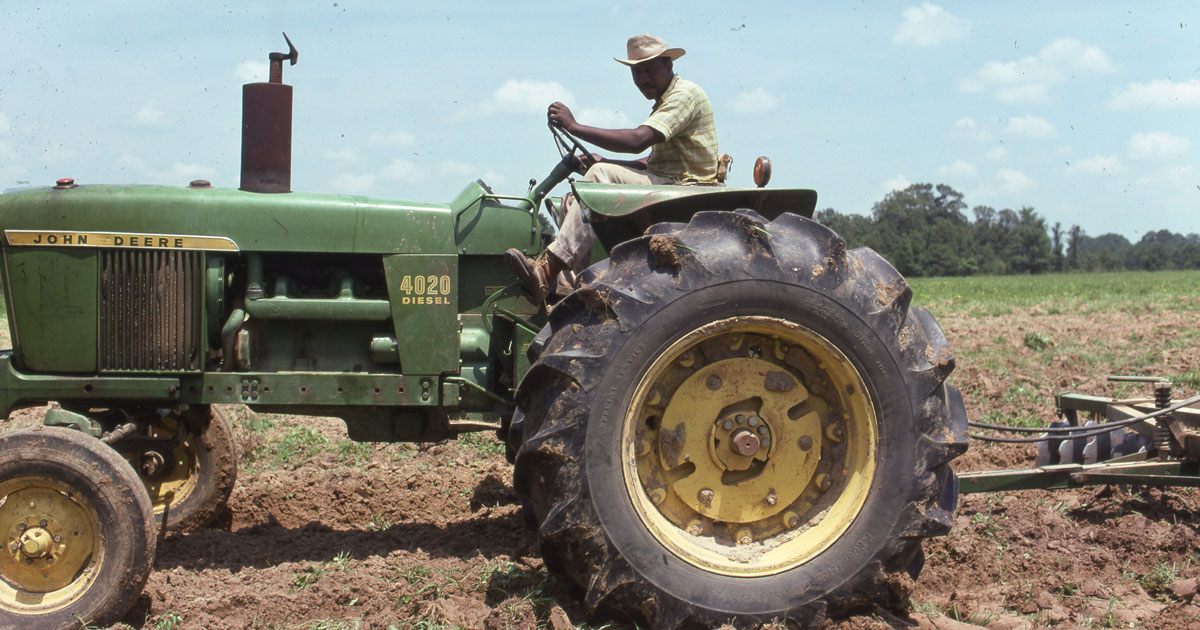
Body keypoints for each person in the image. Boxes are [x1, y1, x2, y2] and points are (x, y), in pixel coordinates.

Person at [504, 33, 719, 300]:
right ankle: (570, 287)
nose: (643, 79)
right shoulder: (665, 102)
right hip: (668, 181)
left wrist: (574, 127)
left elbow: (638, 141)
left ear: (669, 65)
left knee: (598, 177)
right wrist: (605, 162)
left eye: (650, 70)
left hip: (687, 189)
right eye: (636, 73)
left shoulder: (684, 95)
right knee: (576, 197)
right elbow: (647, 162)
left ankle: (547, 268)